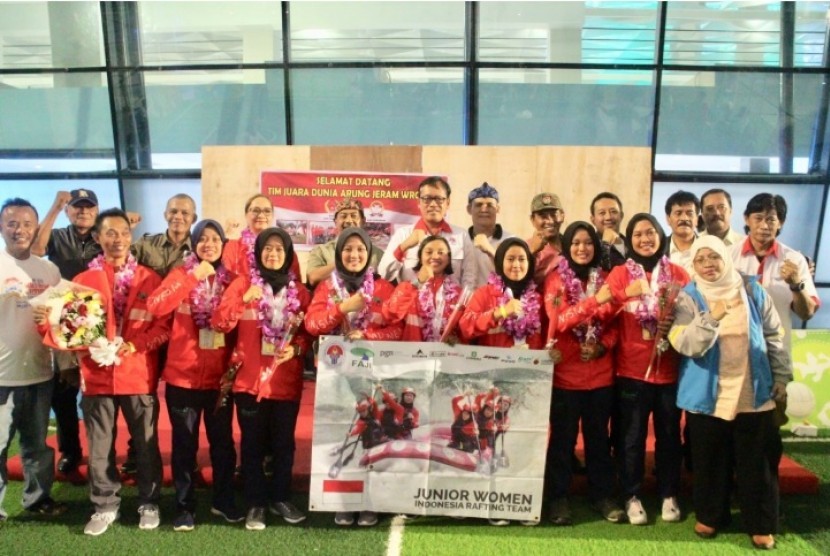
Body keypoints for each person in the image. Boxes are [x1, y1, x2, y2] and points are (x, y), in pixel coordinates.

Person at [38, 208, 170, 536]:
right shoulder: (82, 282)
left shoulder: (149, 280)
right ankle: (104, 504)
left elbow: (163, 326)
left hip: (138, 374)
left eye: (124, 233)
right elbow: (67, 330)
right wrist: (47, 324)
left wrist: (134, 346)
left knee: (145, 443)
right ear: (97, 238)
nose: (118, 240)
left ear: (131, 237)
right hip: (96, 376)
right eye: (110, 233)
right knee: (100, 444)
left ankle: (149, 501)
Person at [669, 235, 790, 550]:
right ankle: (711, 516)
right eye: (700, 259)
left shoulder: (752, 290)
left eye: (714, 257)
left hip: (754, 391)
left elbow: (775, 335)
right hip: (707, 395)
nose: (708, 265)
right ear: (692, 264)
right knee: (709, 460)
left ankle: (761, 524)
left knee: (758, 464)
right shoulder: (687, 297)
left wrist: (780, 375)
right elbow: (686, 345)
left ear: (726, 257)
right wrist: (712, 317)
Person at [146, 220, 241, 531]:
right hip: (182, 379)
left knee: (223, 445)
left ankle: (223, 501)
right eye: (203, 239)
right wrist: (191, 279)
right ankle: (184, 506)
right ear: (194, 244)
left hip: (219, 382)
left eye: (215, 239)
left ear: (224, 245)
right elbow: (157, 306)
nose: (209, 245)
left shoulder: (233, 282)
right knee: (184, 445)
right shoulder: (179, 274)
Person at [212, 227, 310, 531]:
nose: (273, 253)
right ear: (258, 253)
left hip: (285, 382)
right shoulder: (243, 284)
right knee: (252, 447)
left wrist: (295, 350)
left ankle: (281, 497)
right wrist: (242, 300)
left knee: (283, 446)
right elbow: (219, 322)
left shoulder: (300, 292)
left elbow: (308, 335)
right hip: (250, 383)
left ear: (289, 255)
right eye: (268, 248)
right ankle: (255, 503)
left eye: (280, 249)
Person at [304, 227, 401, 528]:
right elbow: (311, 324)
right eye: (348, 249)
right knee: (341, 437)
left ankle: (370, 501)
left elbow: (396, 330)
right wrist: (342, 309)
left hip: (373, 379)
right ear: (338, 253)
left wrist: (367, 334)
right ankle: (342, 501)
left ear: (369, 253)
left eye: (360, 249)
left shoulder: (384, 288)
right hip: (336, 380)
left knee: (372, 438)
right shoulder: (326, 288)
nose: (354, 254)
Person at [606, 213, 690, 526]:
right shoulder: (619, 274)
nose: (645, 239)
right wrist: (622, 296)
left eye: (651, 232)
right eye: (638, 234)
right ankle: (631, 495)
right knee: (631, 437)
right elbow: (606, 315)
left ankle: (669, 493)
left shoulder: (679, 273)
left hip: (668, 371)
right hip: (631, 372)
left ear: (660, 235)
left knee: (669, 436)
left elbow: (692, 314)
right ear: (630, 239)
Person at [542, 221, 624, 526]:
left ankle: (602, 495)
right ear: (567, 245)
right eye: (575, 242)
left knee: (598, 442)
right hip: (565, 377)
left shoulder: (606, 280)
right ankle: (558, 498)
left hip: (600, 377)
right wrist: (594, 301)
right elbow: (559, 320)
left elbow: (616, 327)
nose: (582, 248)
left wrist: (602, 346)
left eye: (588, 242)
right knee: (562, 442)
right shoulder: (554, 281)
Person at [1, 198, 66, 520]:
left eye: (27, 224)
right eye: (12, 223)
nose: (20, 230)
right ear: (2, 227)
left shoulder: (48, 269)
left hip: (40, 372)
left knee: (36, 446)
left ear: (36, 228)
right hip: (2, 376)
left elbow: (68, 310)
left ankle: (37, 499)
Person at [31, 189, 104, 475]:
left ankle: (106, 450)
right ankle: (71, 452)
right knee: (63, 393)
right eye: (77, 207)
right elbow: (37, 250)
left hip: (97, 320)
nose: (83, 212)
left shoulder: (103, 235)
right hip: (63, 320)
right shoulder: (58, 235)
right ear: (69, 211)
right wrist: (54, 207)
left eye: (89, 207)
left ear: (96, 210)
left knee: (98, 394)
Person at [377, 176, 477, 289]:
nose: (433, 204)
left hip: (451, 305)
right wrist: (403, 247)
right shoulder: (403, 235)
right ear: (418, 202)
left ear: (448, 203)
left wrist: (460, 305)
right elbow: (384, 276)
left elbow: (469, 280)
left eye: (439, 199)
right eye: (427, 199)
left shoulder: (461, 236)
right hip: (411, 304)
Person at [459, 238, 545, 349]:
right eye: (510, 259)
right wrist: (501, 312)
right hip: (493, 364)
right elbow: (466, 327)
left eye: (522, 259)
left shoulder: (537, 299)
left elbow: (546, 336)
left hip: (530, 365)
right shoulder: (485, 293)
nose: (516, 265)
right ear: (500, 262)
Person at [382, 236, 463, 342]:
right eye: (429, 252)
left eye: (441, 252)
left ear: (448, 259)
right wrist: (417, 283)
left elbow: (463, 331)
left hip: (445, 356)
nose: (435, 256)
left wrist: (456, 341)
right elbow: (390, 315)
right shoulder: (407, 287)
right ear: (420, 258)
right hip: (412, 355)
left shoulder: (457, 293)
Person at [306, 198, 384, 288]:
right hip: (331, 299)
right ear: (335, 221)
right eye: (343, 216)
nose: (348, 220)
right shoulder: (321, 251)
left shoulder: (377, 254)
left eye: (354, 216)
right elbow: (312, 278)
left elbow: (386, 281)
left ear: (363, 221)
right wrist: (343, 262)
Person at [222, 193, 301, 280]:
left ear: (272, 216)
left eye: (267, 211)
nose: (261, 215)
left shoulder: (287, 251)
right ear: (246, 215)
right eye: (255, 210)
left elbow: (296, 287)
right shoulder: (233, 247)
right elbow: (226, 280)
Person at [132, 194, 197, 278]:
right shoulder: (145, 243)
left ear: (194, 218)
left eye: (185, 213)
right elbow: (120, 262)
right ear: (165, 215)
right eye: (173, 211)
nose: (178, 216)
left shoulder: (198, 250)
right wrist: (125, 227)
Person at [465, 183, 512, 286]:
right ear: (469, 209)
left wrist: (490, 250)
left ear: (498, 209)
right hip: (464, 301)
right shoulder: (460, 240)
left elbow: (514, 273)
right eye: (478, 205)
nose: (484, 209)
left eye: (490, 205)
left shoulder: (510, 240)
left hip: (499, 300)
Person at [526, 193, 566, 285]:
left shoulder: (572, 244)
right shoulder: (523, 248)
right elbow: (517, 283)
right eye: (543, 216)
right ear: (532, 219)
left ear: (562, 216)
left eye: (554, 215)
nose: (550, 221)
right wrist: (532, 252)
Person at [589, 192, 627, 270]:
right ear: (593, 220)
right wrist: (605, 244)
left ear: (621, 216)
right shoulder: (588, 247)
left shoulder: (632, 244)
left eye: (613, 212)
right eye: (602, 213)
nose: (608, 217)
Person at [664, 190, 701, 269]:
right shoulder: (657, 249)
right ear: (668, 219)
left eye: (689, 213)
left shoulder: (709, 247)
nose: (684, 218)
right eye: (678, 213)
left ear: (697, 220)